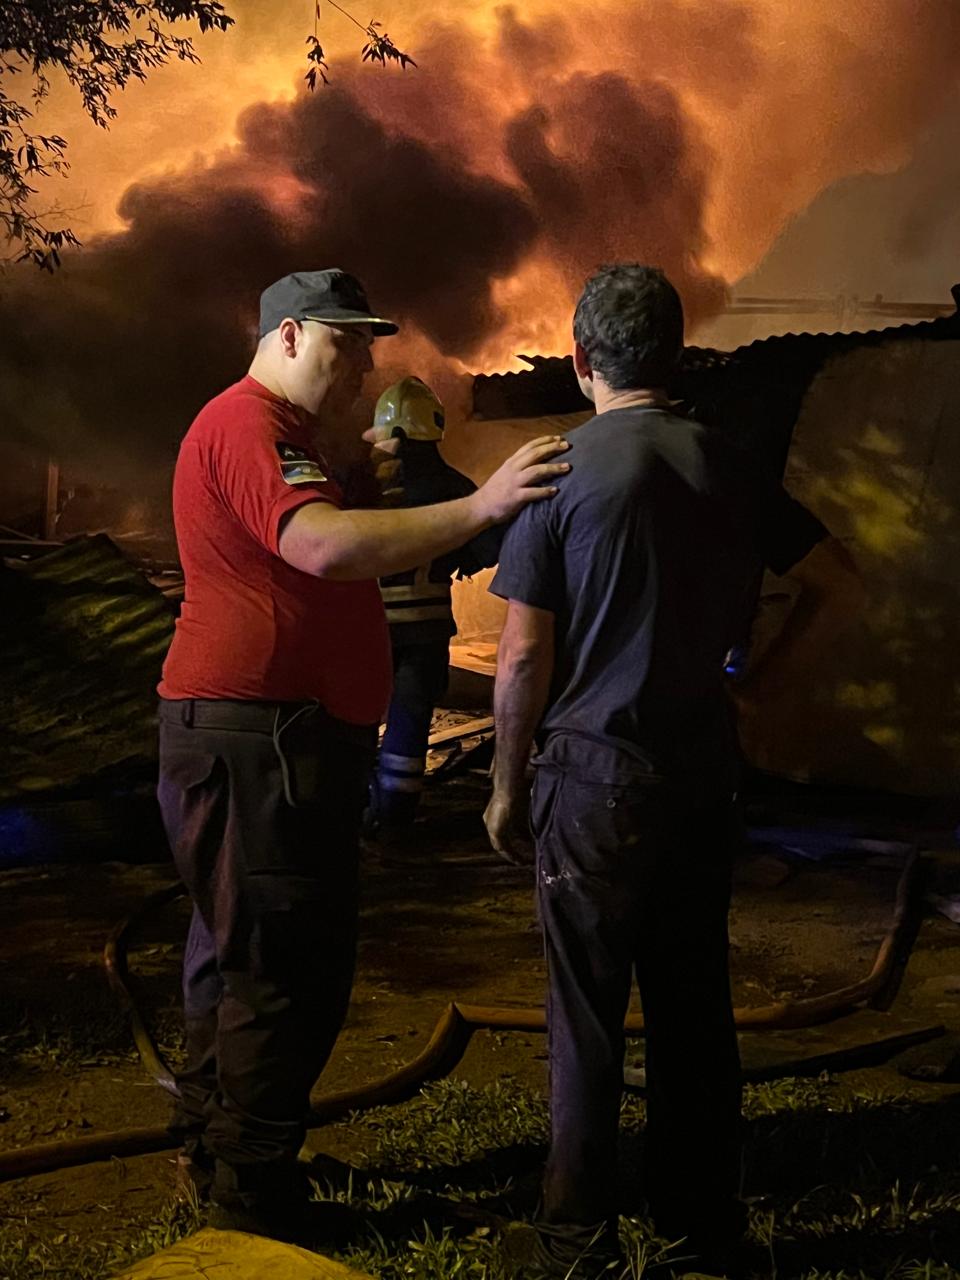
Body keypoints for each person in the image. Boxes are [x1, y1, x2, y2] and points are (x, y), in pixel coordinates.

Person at [156, 267, 570, 1242]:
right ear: (292, 335)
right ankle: (251, 1198)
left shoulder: (283, 437)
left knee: (239, 951)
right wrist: (483, 505)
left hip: (264, 735)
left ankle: (225, 1155)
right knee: (282, 964)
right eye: (349, 342)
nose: (367, 363)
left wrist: (350, 481)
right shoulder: (251, 425)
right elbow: (324, 550)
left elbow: (314, 533)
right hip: (262, 736)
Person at [483, 264, 864, 1278]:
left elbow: (522, 654)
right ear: (675, 353)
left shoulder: (558, 471)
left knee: (588, 1011)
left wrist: (506, 782)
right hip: (702, 771)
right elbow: (835, 580)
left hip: (592, 784)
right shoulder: (729, 462)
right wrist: (756, 681)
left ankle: (575, 1235)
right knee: (695, 1002)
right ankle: (701, 1225)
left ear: (578, 357)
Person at [366, 376, 502, 842]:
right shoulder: (452, 485)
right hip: (424, 633)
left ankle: (361, 809)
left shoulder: (363, 484)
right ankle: (397, 818)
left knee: (361, 717)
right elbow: (490, 545)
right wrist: (454, 557)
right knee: (410, 717)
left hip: (365, 629)